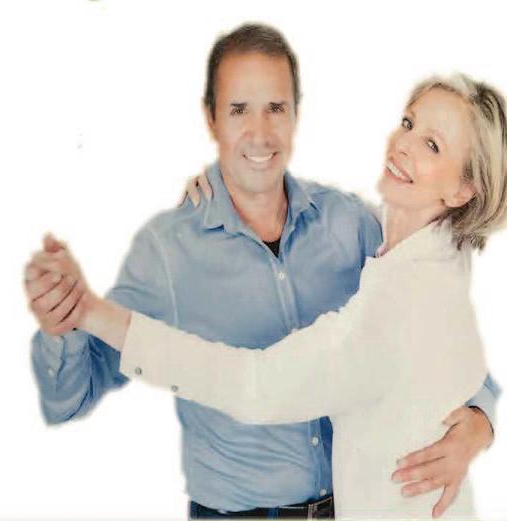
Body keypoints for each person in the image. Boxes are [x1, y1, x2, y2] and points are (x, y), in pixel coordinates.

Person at [25, 24, 499, 519]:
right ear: (211, 118)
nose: (259, 131)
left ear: (296, 113)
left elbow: (438, 357)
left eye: (275, 107)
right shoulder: (170, 248)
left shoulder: (355, 227)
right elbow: (69, 398)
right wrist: (66, 318)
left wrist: (479, 422)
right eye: (238, 110)